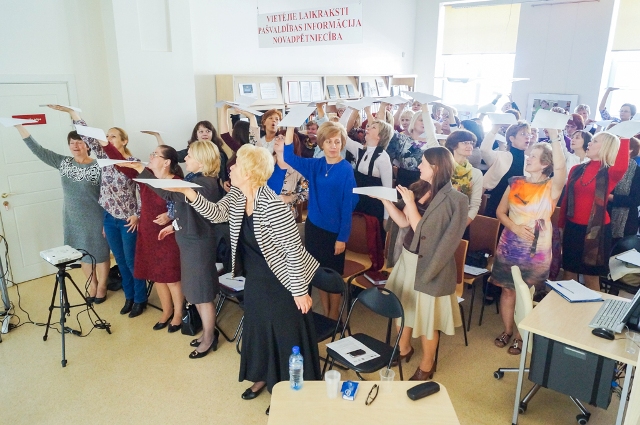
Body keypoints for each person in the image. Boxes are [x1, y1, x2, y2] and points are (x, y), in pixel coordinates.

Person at [166, 144, 321, 403]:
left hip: (283, 281)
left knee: (284, 335)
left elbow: (293, 252)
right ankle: (263, 375)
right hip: (257, 276)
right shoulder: (239, 195)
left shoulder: (274, 207)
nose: (232, 167)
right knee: (259, 328)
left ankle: (288, 391)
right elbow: (216, 214)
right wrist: (188, 192)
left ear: (249, 172)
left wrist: (299, 291)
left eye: (237, 164)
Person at [123, 142, 224, 358]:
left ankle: (209, 338)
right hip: (189, 242)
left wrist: (141, 170)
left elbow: (168, 194)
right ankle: (207, 332)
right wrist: (173, 226)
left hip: (197, 246)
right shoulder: (194, 179)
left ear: (201, 161)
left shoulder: (203, 184)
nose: (185, 159)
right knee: (195, 293)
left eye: (190, 156)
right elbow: (184, 210)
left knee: (202, 294)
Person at [379, 147, 468, 380]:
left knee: (427, 320)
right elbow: (404, 223)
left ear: (436, 168)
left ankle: (427, 365)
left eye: (424, 163)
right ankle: (404, 348)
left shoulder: (456, 200)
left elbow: (426, 233)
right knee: (402, 308)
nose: (419, 166)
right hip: (408, 259)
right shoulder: (419, 189)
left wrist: (410, 203)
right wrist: (385, 201)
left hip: (431, 265)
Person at [49, 106, 147, 315]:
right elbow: (87, 136)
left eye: (113, 136)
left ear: (124, 141)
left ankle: (140, 298)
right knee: (120, 262)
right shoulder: (104, 157)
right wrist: (74, 114)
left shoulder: (132, 163)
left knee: (131, 262)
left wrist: (137, 214)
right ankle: (129, 297)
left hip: (128, 219)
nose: (108, 138)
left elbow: (143, 190)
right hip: (109, 218)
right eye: (107, 136)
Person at [13, 124, 110, 303]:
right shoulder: (63, 163)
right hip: (73, 218)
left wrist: (107, 221)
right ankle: (92, 284)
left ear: (88, 145)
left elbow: (108, 196)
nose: (75, 146)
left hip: (97, 217)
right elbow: (39, 150)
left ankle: (103, 286)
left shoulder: (100, 166)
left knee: (101, 253)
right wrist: (20, 127)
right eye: (72, 143)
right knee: (83, 252)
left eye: (79, 142)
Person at [490, 130, 566, 355]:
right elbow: (500, 211)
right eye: (529, 154)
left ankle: (521, 336)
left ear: (545, 164)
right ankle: (507, 330)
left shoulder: (552, 186)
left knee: (527, 293)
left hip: (537, 248)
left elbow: (561, 168)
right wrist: (513, 227)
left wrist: (555, 136)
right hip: (509, 244)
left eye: (533, 156)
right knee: (508, 290)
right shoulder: (515, 182)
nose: (528, 158)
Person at [280, 123, 357, 321]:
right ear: (321, 144)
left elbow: (348, 205)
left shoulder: (346, 169)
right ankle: (325, 311)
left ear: (342, 144)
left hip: (335, 232)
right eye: (329, 142)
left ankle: (334, 314)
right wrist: (290, 127)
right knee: (318, 272)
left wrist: (343, 238)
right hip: (314, 228)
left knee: (334, 275)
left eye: (337, 142)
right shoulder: (316, 165)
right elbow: (288, 156)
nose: (333, 146)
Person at [106, 144, 184, 331]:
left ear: (166, 162)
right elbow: (120, 164)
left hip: (168, 234)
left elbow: (185, 207)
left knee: (172, 278)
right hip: (148, 233)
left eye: (155, 154)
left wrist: (170, 215)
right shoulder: (145, 175)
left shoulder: (177, 181)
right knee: (157, 276)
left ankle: (179, 313)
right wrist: (105, 144)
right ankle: (166, 311)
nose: (151, 156)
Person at [560, 133, 630, 291]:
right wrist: (560, 225)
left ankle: (593, 308)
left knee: (591, 277)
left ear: (605, 147)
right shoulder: (576, 169)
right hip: (573, 227)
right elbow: (566, 199)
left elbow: (621, 166)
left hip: (596, 231)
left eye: (595, 141)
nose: (589, 143)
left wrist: (625, 137)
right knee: (568, 273)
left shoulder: (609, 172)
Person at [481, 121, 532, 218]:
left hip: (518, 209)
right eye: (523, 134)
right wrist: (495, 128)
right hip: (496, 204)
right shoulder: (500, 156)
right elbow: (484, 150)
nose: (527, 137)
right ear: (511, 138)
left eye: (529, 134)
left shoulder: (529, 161)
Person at [385, 102, 440, 187]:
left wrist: (424, 105)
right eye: (421, 120)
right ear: (413, 121)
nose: (424, 123)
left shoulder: (432, 143)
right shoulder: (401, 139)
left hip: (423, 183)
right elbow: (382, 128)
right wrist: (383, 106)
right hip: (403, 181)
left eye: (426, 121)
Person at [444, 130, 484, 225]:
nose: (470, 146)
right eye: (465, 143)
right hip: (438, 217)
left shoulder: (476, 173)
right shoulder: (442, 168)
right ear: (453, 145)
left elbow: (474, 205)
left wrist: (460, 226)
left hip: (461, 220)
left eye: (471, 143)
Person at [608, 137, 640, 247]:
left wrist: (609, 197)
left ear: (630, 150)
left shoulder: (637, 171)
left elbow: (635, 200)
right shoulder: (608, 166)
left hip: (626, 221)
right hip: (605, 215)